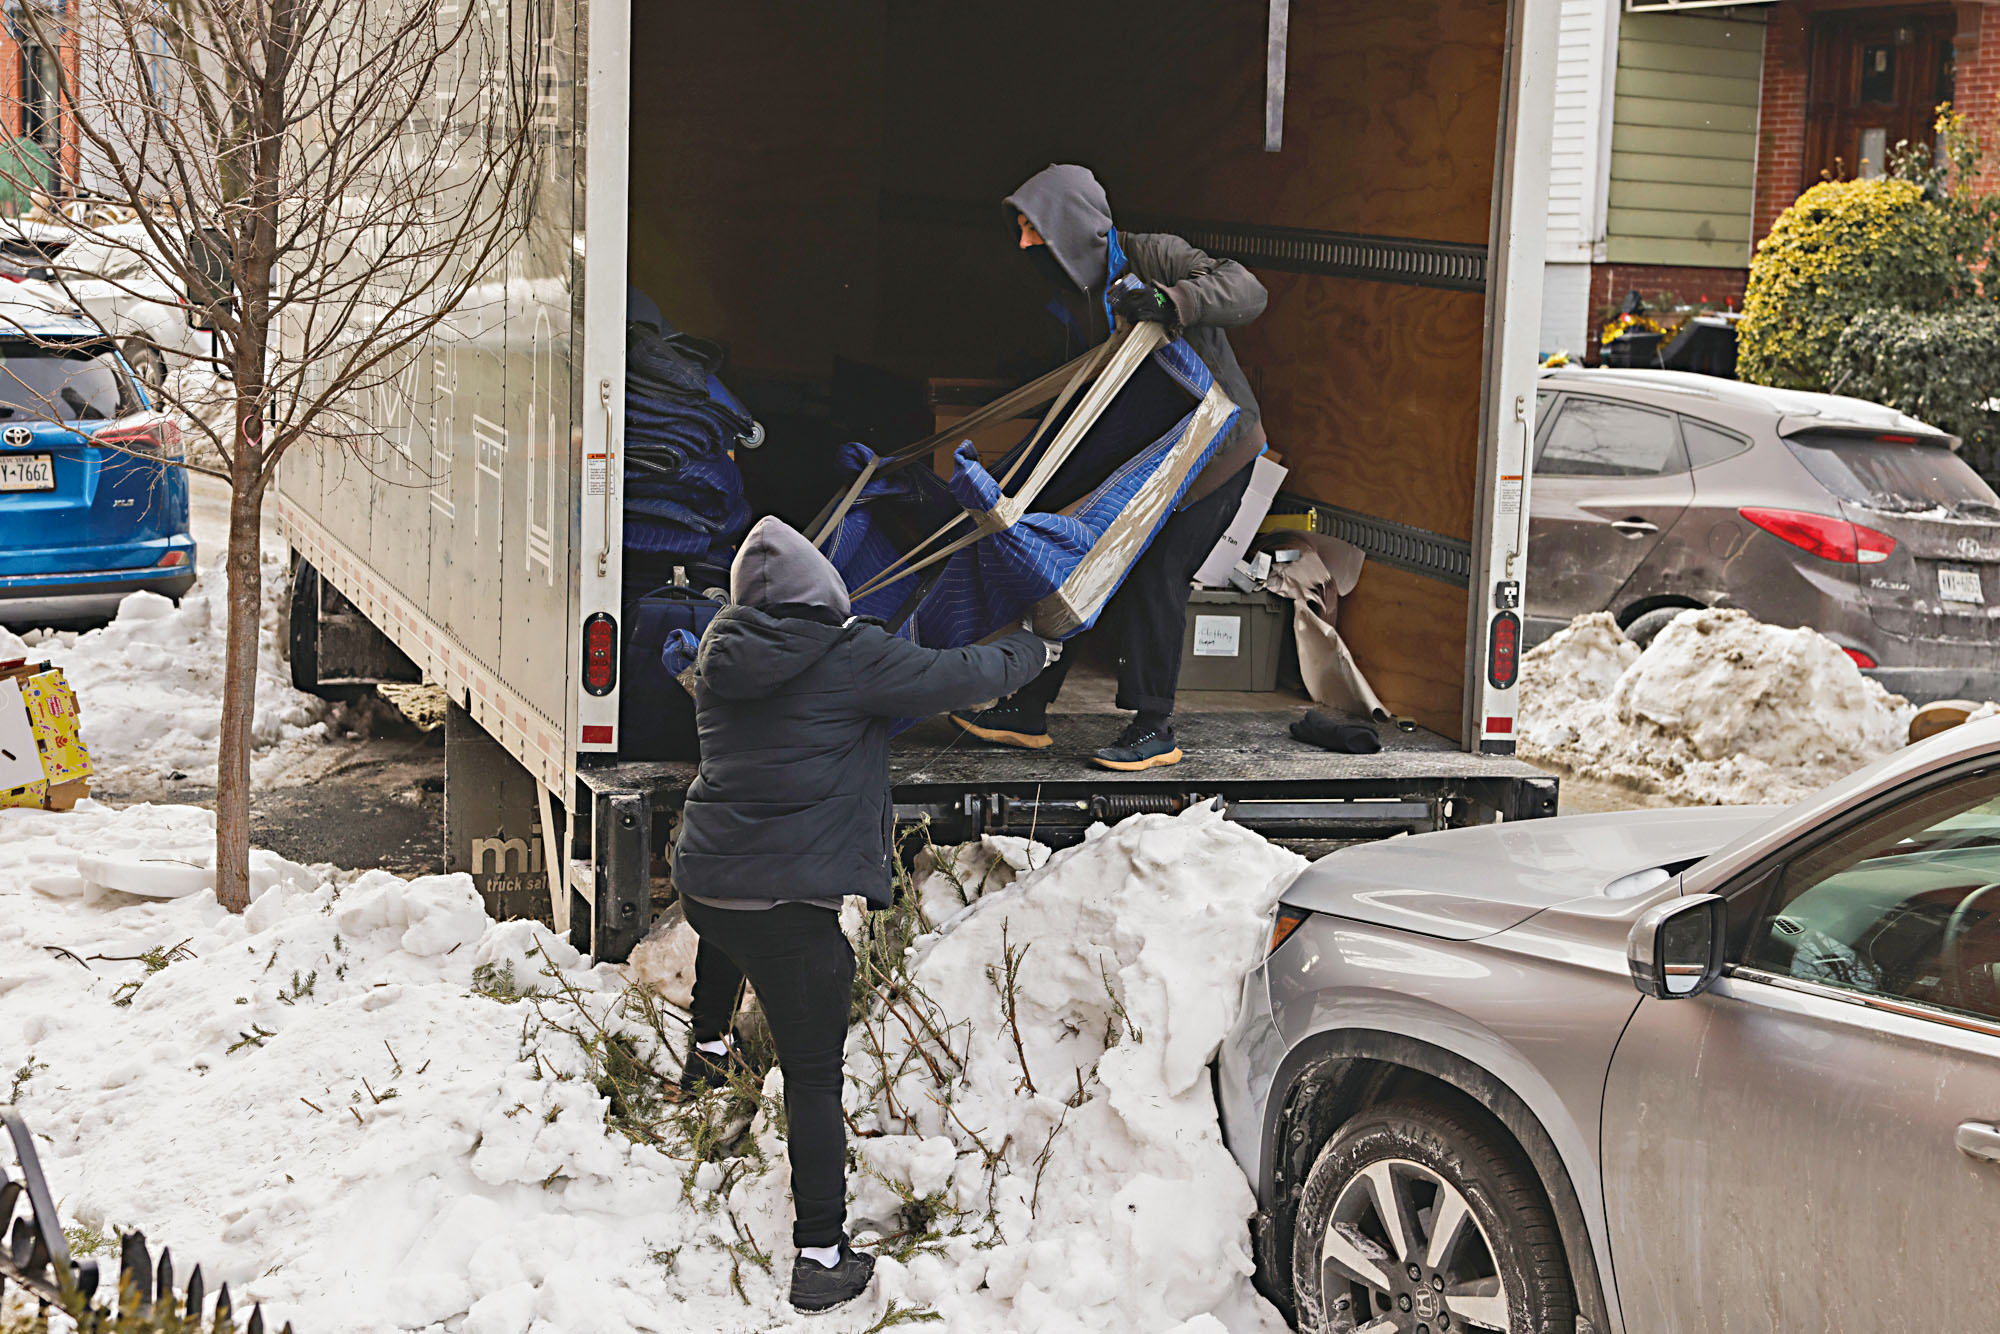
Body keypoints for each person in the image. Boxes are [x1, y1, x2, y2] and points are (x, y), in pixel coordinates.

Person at [670, 515, 1055, 1314]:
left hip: (707, 880)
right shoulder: (851, 657)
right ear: (825, 591)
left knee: (729, 927)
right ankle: (819, 1258)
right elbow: (964, 675)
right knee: (812, 1078)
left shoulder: (719, 652)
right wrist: (1035, 649)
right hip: (787, 906)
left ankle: (706, 1052)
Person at [950, 164, 1270, 771]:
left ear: (1071, 227)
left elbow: (1247, 291)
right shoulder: (1069, 297)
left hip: (1213, 457)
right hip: (1138, 459)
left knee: (1155, 575)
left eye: (1033, 230)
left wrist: (1171, 300)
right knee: (1072, 563)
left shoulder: (1157, 256)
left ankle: (1156, 729)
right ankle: (1029, 708)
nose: (1024, 245)